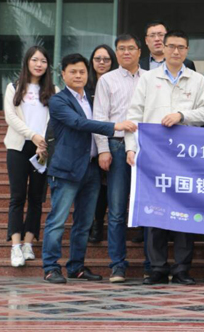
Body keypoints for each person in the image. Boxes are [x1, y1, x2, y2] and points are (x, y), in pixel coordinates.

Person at [126, 30, 204, 285]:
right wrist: (131, 147)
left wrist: (182, 116)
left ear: (187, 50)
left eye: (181, 47)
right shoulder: (148, 78)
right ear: (162, 48)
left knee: (185, 210)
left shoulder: (197, 79)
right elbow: (134, 114)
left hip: (186, 158)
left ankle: (182, 268)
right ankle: (157, 268)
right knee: (156, 210)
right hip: (154, 155)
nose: (176, 51)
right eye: (172, 46)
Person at [42, 53, 137, 284]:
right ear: (63, 74)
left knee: (84, 223)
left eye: (82, 71)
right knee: (58, 220)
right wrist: (115, 126)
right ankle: (51, 267)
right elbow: (78, 123)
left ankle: (76, 267)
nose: (78, 75)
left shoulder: (92, 99)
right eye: (73, 72)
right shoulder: (58, 100)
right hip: (66, 169)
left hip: (91, 168)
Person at [93, 34, 145, 283]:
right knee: (116, 209)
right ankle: (117, 265)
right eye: (121, 49)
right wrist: (103, 149)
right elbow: (99, 116)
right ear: (116, 53)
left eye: (130, 48)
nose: (126, 52)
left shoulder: (151, 78)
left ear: (139, 51)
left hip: (146, 148)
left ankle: (152, 265)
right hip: (116, 145)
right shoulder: (107, 79)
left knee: (149, 206)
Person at [4, 46, 57, 267]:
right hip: (18, 147)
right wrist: (32, 135)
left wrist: (43, 142)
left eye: (43, 61)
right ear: (27, 62)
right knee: (17, 197)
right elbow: (10, 117)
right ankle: (15, 246)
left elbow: (54, 119)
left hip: (42, 149)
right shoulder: (13, 87)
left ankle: (28, 243)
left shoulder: (54, 90)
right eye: (35, 60)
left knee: (36, 198)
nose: (39, 64)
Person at [86, 44, 118, 244]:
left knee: (106, 187)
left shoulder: (116, 84)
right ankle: (91, 224)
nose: (102, 62)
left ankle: (98, 224)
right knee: (91, 187)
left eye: (106, 59)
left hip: (110, 142)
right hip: (87, 144)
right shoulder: (84, 86)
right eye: (97, 59)